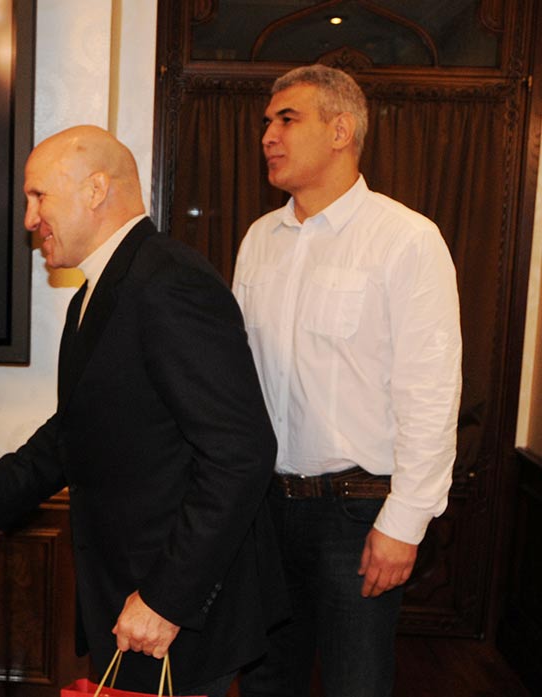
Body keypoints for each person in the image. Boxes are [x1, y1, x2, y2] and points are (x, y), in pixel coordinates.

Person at [0, 125, 286, 695]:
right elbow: (74, 431)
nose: (29, 219)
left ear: (95, 190)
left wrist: (166, 599)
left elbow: (241, 454)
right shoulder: (96, 293)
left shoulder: (170, 282)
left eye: (39, 196)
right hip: (127, 600)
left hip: (173, 615)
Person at [233, 65, 462, 697]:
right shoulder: (259, 240)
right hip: (265, 509)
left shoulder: (406, 239)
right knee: (265, 683)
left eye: (287, 119)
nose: (268, 136)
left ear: (341, 131)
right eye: (266, 122)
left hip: (357, 514)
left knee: (355, 685)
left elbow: (431, 392)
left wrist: (405, 522)